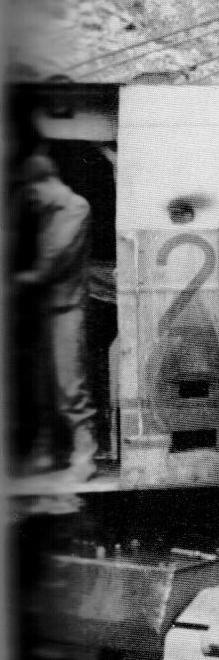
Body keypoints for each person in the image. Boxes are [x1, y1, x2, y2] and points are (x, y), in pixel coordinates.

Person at [12, 152, 99, 480]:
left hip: (66, 307)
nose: (29, 199)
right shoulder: (47, 211)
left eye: (32, 191)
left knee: (69, 383)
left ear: (46, 182)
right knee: (41, 384)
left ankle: (84, 455)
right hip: (43, 308)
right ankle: (45, 450)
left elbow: (53, 260)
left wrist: (19, 279)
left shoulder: (74, 207)